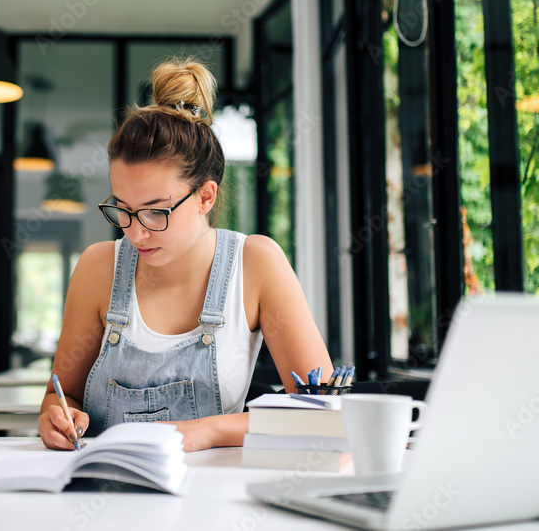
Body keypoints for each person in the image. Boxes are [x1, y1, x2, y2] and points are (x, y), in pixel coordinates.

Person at [38, 57, 333, 452]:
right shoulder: (98, 267)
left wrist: (209, 431)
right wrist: (55, 415)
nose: (136, 231)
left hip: (213, 497)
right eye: (123, 210)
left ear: (205, 197)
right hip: (104, 489)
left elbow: (321, 409)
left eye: (157, 211)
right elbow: (62, 395)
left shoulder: (256, 264)